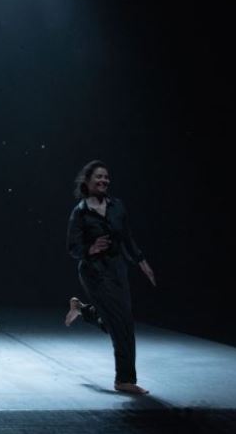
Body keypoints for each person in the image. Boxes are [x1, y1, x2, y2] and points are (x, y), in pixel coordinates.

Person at [64, 160, 157, 394]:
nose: (104, 180)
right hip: (94, 272)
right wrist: (91, 248)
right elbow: (72, 248)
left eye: (106, 177)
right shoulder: (80, 212)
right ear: (87, 181)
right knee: (120, 323)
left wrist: (142, 262)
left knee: (119, 322)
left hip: (117, 269)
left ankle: (82, 310)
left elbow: (127, 238)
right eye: (99, 177)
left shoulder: (117, 206)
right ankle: (124, 380)